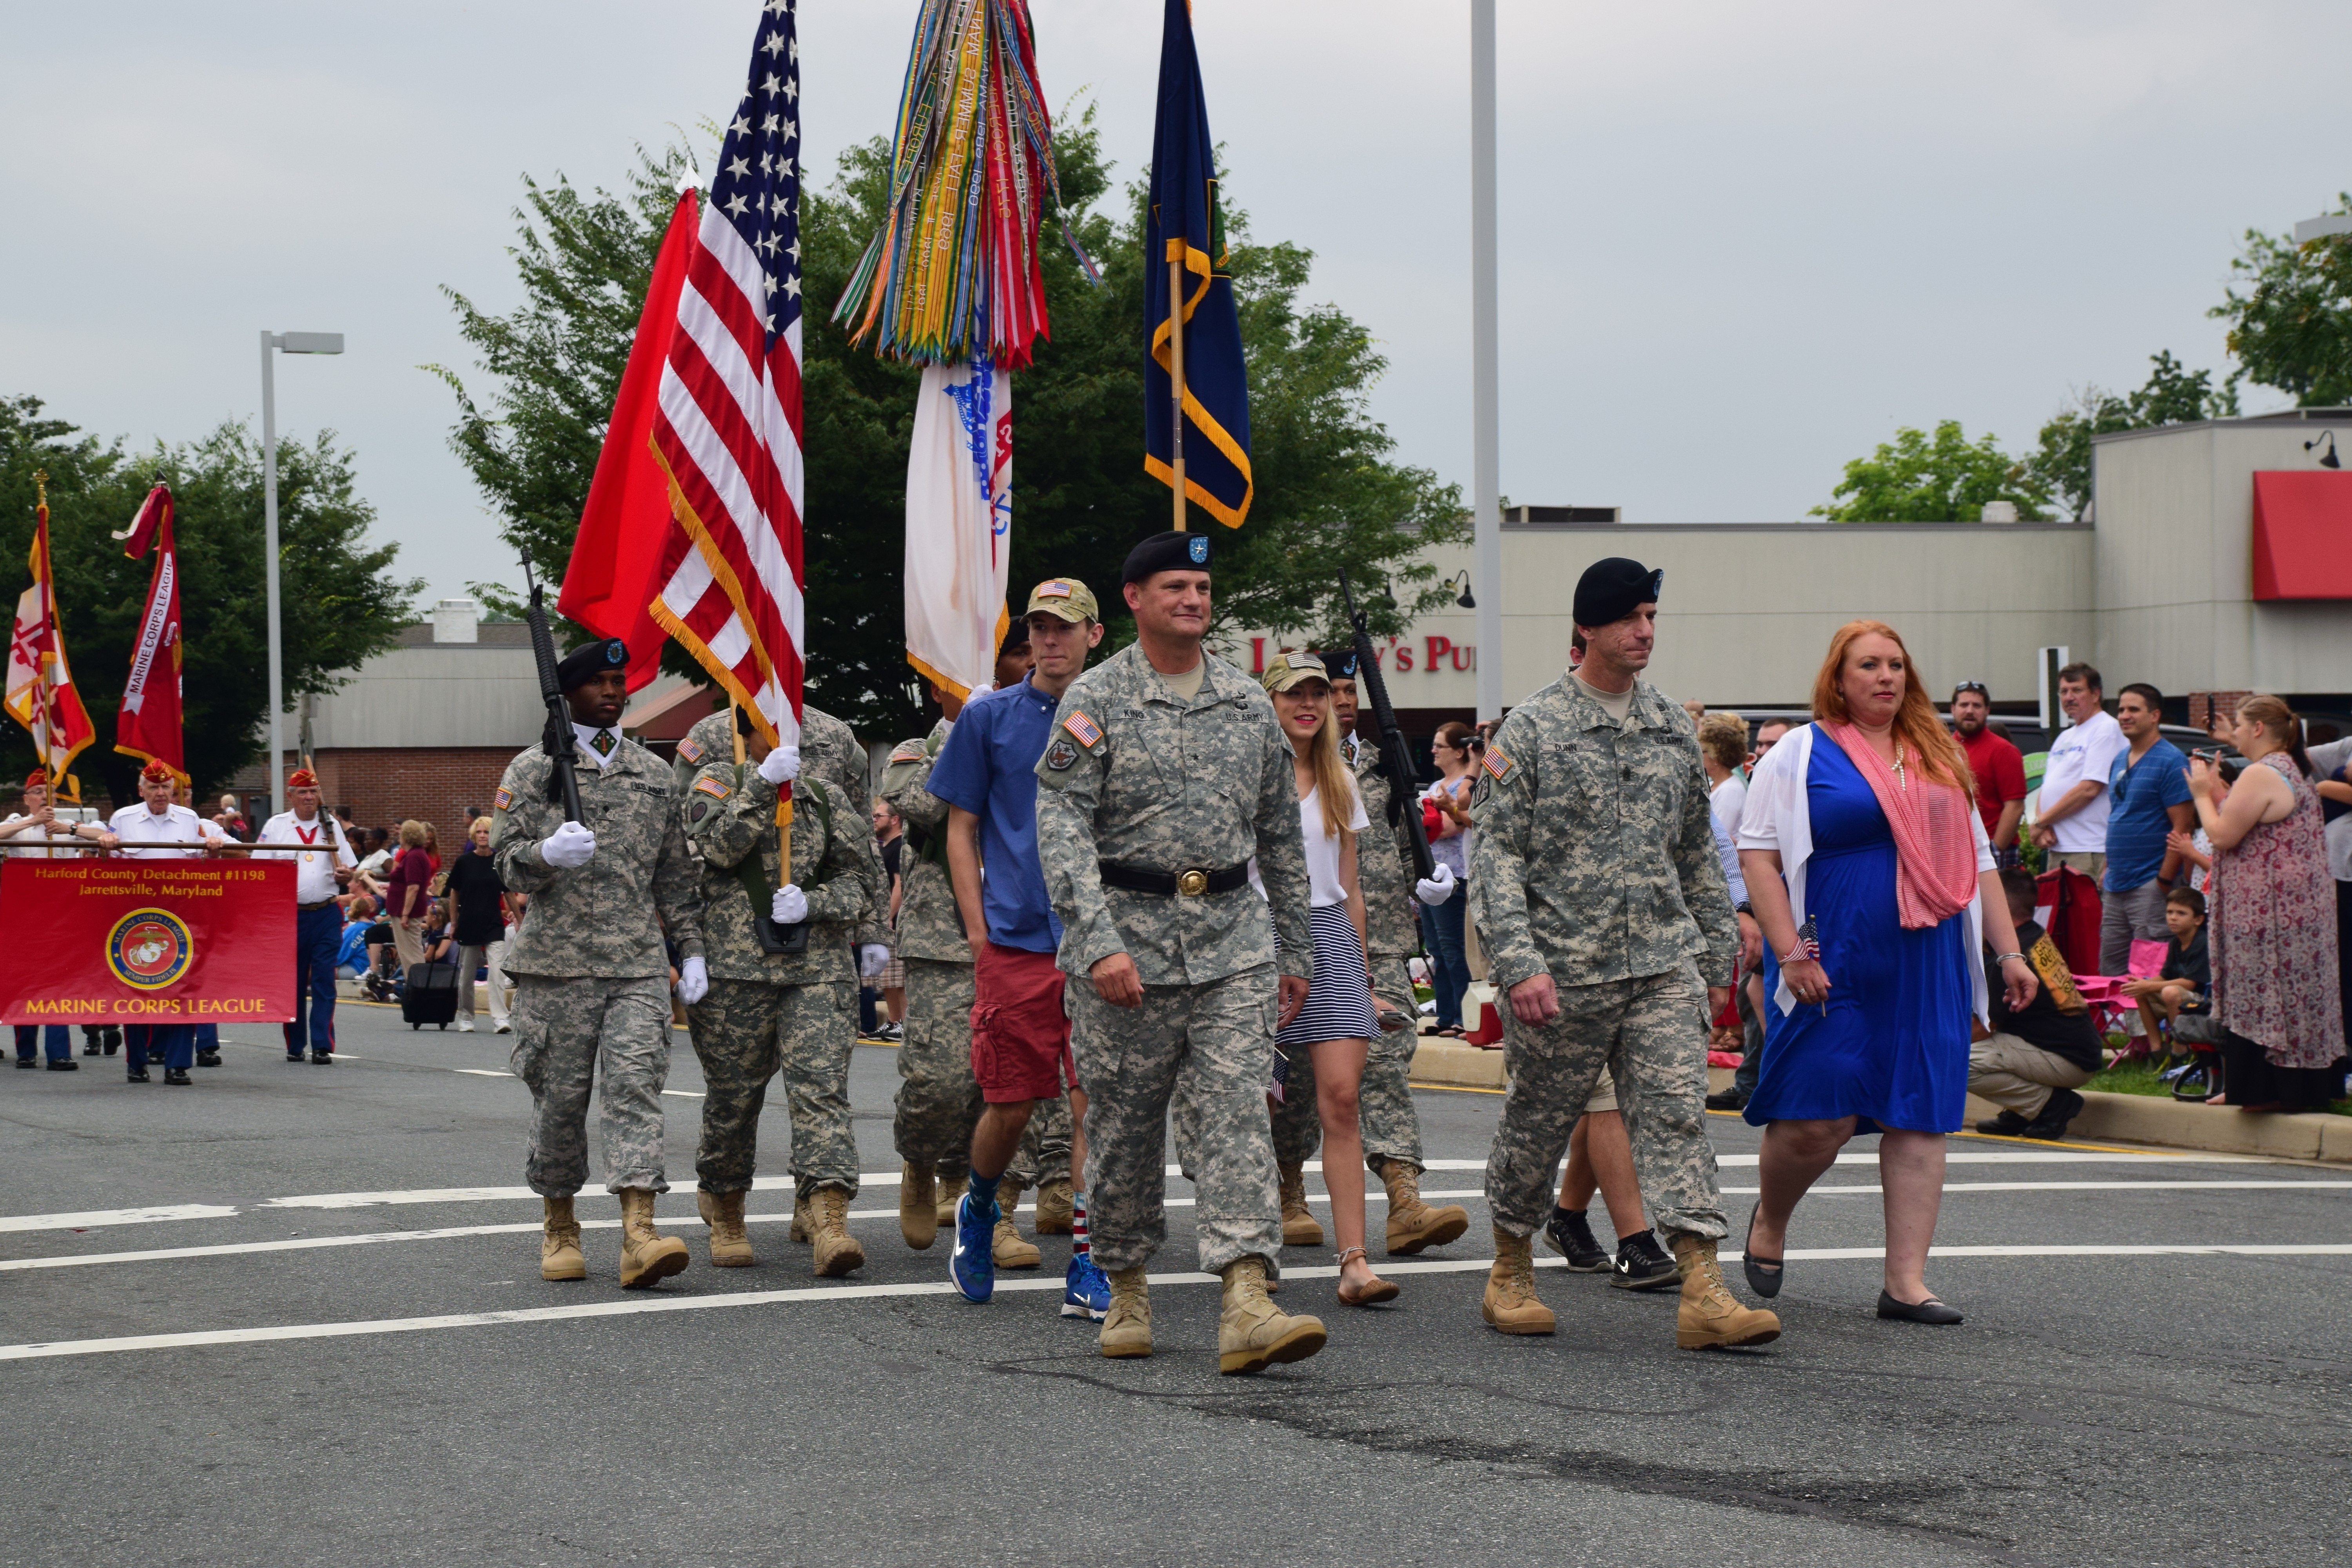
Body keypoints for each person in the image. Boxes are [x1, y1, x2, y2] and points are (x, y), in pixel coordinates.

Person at [1032, 534, 1328, 1374]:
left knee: (1238, 1108)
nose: (1195, 599)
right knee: (1124, 1124)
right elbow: (1060, 826)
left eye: (1202, 585)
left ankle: (1246, 1294)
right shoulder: (1095, 699)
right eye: (1175, 586)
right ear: (1133, 598)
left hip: (1232, 938)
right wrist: (1097, 943)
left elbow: (1279, 830)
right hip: (1127, 942)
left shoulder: (1244, 699)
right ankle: (1125, 1283)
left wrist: (1293, 947)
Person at [1472, 556, 1779, 1350]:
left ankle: (1703, 1284)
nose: (1644, 631)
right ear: (1586, 629)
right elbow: (1496, 857)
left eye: (1650, 616)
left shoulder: (1674, 725)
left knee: (1676, 1117)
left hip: (1660, 968)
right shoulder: (1530, 730)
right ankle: (1510, 1264)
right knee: (1538, 1122)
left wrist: (1715, 955)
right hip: (1562, 972)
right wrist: (1519, 962)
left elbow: (1692, 852)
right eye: (1628, 618)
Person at [1737, 621, 2036, 1326]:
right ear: (1838, 679)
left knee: (1919, 1115)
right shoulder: (1802, 751)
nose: (1885, 677)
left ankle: (1906, 1282)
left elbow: (1980, 860)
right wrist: (1790, 952)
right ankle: (1771, 1221)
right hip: (1832, 956)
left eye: (1896, 665)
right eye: (1868, 665)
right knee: (1819, 1117)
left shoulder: (1938, 753)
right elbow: (1758, 857)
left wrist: (2011, 952)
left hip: (1928, 959)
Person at [490, 637, 706, 1289]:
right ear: (568, 693)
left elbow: (675, 875)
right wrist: (545, 857)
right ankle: (560, 1224)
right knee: (560, 1103)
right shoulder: (532, 771)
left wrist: (690, 949)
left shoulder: (653, 773)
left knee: (636, 1090)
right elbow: (503, 859)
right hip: (555, 970)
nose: (613, 691)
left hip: (635, 965)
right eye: (599, 682)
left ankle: (639, 1232)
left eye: (620, 680)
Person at [931, 575, 1116, 1320]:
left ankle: (1089, 1257)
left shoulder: (1119, 714)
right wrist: (978, 932)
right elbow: (961, 826)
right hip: (1016, 943)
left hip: (1100, 939)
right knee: (1011, 1104)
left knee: (1092, 1105)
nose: (1050, 639)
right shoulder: (990, 718)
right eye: (1039, 627)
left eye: (1065, 627)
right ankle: (979, 1205)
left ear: (1094, 635)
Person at [1267, 648, 1470, 1261]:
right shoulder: (1266, 767)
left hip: (1370, 937)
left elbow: (1401, 840)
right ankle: (1286, 1189)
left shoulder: (1381, 765)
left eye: (1342, 690)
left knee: (1374, 1071)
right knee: (1287, 1078)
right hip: (1284, 932)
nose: (1340, 699)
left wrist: (1426, 879)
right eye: (1329, 688)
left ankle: (1403, 1197)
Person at [681, 705, 883, 1277]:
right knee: (733, 1100)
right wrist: (762, 787)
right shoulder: (717, 782)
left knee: (821, 1093)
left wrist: (815, 904)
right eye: (767, 724)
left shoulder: (822, 798)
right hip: (737, 973)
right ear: (745, 732)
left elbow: (862, 878)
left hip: (815, 968)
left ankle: (829, 1220)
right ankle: (726, 1210)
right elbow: (719, 848)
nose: (782, 734)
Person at [1248, 653, 1401, 1306]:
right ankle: (1252, 1256)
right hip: (1257, 938)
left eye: (1318, 693)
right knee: (1256, 1107)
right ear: (1271, 702)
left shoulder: (1340, 777)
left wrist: (1363, 978)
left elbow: (1353, 889)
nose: (1308, 704)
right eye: (1294, 694)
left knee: (1341, 1102)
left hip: (1330, 935)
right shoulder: (1249, 773)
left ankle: (1355, 1263)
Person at [2189, 696, 2344, 1112]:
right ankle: (2269, 1089)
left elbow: (2222, 835)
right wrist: (2222, 788)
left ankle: (2260, 1091)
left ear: (2258, 729)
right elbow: (2248, 816)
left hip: (2269, 916)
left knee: (2263, 995)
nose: (2234, 732)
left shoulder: (2263, 772)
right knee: (2291, 998)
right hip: (2292, 912)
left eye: (2239, 725)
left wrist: (2203, 793)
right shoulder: (2291, 767)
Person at [876, 690, 985, 1250]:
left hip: (1018, 931)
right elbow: (925, 806)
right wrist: (960, 731)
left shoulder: (1033, 733)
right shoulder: (916, 751)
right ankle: (920, 1162)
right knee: (940, 1078)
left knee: (1000, 1084)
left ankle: (978, 1196)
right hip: (942, 938)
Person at [107, 760, 227, 1083]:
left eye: (165, 788)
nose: (160, 793)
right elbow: (111, 868)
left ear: (174, 790)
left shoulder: (190, 820)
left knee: (183, 989)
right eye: (153, 787)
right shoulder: (123, 818)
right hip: (135, 915)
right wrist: (105, 846)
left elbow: (202, 864)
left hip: (180, 915)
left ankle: (177, 1064)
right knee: (134, 987)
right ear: (141, 790)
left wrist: (213, 852)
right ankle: (137, 1062)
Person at [1968, 870, 2102, 1140]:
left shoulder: (2012, 958)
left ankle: (2048, 1106)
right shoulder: (2033, 936)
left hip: (2063, 1059)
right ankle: (2022, 1111)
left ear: (2000, 907)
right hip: (2075, 1051)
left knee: (1957, 1061)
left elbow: (1984, 1027)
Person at [3, 769, 115, 1070]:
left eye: (49, 792)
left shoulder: (64, 826)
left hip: (62, 916)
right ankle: (26, 1051)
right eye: (38, 792)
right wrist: (34, 822)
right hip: (25, 916)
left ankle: (59, 1053)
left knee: (59, 983)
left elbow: (107, 837)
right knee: (26, 982)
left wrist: (70, 829)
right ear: (27, 799)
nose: (44, 797)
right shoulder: (17, 823)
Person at [255, 766, 357, 1063]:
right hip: (291, 916)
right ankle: (295, 1043)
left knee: (325, 978)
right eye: (303, 792)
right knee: (294, 982)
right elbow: (260, 870)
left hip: (326, 911)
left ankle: (323, 1043)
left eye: (313, 792)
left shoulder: (331, 826)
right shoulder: (276, 827)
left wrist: (344, 876)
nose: (309, 797)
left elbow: (348, 870)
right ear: (291, 796)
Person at [2099, 683, 2194, 978]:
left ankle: (2145, 1027)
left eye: (2133, 710)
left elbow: (2184, 825)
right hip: (2116, 884)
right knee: (2111, 970)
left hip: (2150, 884)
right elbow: (2119, 816)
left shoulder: (2171, 761)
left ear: (2155, 716)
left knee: (2147, 973)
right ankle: (2117, 1026)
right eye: (2121, 710)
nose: (2125, 716)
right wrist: (2107, 866)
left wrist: (2163, 882)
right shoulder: (2118, 759)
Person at [2031, 663, 2127, 882]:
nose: (2069, 697)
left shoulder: (2106, 728)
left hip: (2089, 849)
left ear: (2096, 694)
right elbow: (2047, 789)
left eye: (2077, 690)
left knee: (2085, 917)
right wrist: (2041, 824)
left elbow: (2089, 789)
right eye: (2064, 692)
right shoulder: (2065, 737)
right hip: (2058, 847)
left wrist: (2040, 823)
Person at [1419, 721, 1478, 1036]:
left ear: (1459, 751)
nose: (1433, 751)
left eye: (1439, 746)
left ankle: (1461, 1015)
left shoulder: (1462, 789)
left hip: (1454, 877)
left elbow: (1446, 828)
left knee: (1455, 949)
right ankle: (1444, 1015)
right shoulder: (1434, 787)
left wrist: (1428, 819)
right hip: (1431, 877)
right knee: (1437, 950)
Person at [2122, 886, 2213, 1067]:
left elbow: (2189, 984)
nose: (2173, 917)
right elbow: (2164, 977)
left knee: (2171, 992)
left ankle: (2180, 1052)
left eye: (2181, 913)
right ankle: (2157, 1050)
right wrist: (2140, 985)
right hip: (2181, 999)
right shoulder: (2176, 942)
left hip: (2205, 1003)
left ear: (2198, 920)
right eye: (2170, 912)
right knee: (2139, 992)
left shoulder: (2203, 942)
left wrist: (2148, 986)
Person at [445, 816, 510, 1036]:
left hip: (494, 924)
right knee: (467, 975)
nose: (483, 836)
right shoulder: (464, 862)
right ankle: (466, 1016)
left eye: (487, 832)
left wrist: (519, 920)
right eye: (480, 832)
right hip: (469, 923)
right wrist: (454, 923)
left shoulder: (499, 861)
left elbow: (508, 891)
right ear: (474, 836)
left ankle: (501, 1018)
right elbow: (454, 894)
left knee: (498, 972)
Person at [1949, 682, 2026, 862]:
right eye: (1964, 705)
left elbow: (2015, 806)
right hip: (1956, 852)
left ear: (1987, 711)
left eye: (1977, 706)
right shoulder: (1943, 749)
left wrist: (1994, 851)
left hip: (1992, 852)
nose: (1970, 711)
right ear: (1953, 709)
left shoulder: (2004, 751)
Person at [869, 799, 906, 1040]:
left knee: (897, 975)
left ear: (895, 820)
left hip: (892, 921)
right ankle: (893, 1021)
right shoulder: (887, 846)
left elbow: (899, 886)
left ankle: (903, 1022)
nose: (874, 820)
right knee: (887, 976)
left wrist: (889, 917)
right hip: (882, 920)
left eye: (879, 816)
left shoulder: (900, 846)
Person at [386, 821, 436, 978]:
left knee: (410, 955)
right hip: (405, 910)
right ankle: (415, 988)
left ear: (406, 837)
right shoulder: (417, 855)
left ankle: (417, 989)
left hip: (406, 912)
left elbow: (413, 887)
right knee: (409, 953)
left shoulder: (414, 856)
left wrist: (405, 914)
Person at [1697, 712, 1750, 834]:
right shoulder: (1715, 786)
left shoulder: (1730, 791)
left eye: (1702, 751)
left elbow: (1717, 835)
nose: (1698, 756)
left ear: (1715, 755)